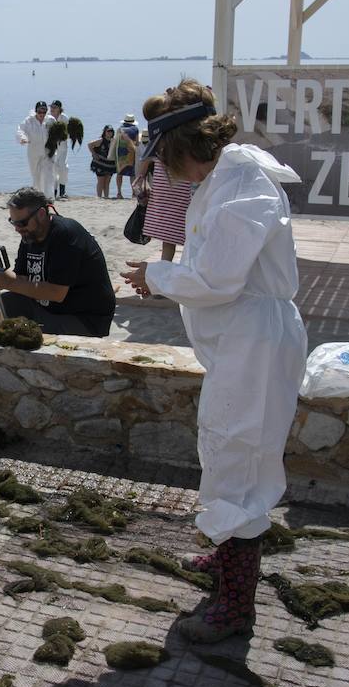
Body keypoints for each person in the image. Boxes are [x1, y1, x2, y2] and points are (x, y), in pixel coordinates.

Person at [119, 78, 307, 644]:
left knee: (239, 461)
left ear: (181, 148)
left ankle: (235, 606)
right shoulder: (223, 182)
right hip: (241, 343)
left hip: (254, 343)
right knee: (225, 448)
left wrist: (154, 275)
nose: (162, 172)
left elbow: (215, 279)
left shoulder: (244, 189)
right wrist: (163, 277)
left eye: (162, 160)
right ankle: (227, 564)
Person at [0, 186, 115, 337]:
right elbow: (21, 279)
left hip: (84, 318)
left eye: (22, 223)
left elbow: (56, 293)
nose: (17, 229)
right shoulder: (29, 236)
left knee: (26, 334)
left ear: (40, 214)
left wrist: (7, 283)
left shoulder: (65, 234)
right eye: (13, 223)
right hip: (49, 308)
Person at [138, 147, 195, 263]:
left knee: (169, 234)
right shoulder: (188, 140)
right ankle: (173, 264)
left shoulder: (162, 140)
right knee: (179, 232)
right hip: (181, 185)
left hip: (166, 185)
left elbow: (145, 160)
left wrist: (141, 177)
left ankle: (166, 264)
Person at [16, 101, 54, 197]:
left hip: (48, 152)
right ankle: (39, 196)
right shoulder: (29, 121)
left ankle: (48, 197)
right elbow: (20, 130)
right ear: (36, 111)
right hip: (34, 152)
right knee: (36, 176)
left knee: (48, 175)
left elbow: (58, 132)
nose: (41, 114)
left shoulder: (50, 120)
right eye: (39, 111)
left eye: (44, 111)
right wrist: (23, 138)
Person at [109, 113, 140, 199]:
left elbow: (116, 141)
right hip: (130, 153)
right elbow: (137, 143)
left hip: (120, 154)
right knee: (132, 174)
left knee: (120, 173)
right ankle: (134, 193)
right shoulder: (135, 129)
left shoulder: (120, 129)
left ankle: (119, 193)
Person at [48, 100, 70, 199]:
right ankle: (54, 192)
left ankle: (62, 191)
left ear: (59, 109)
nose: (52, 109)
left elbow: (68, 133)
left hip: (63, 148)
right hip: (51, 147)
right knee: (53, 169)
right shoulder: (47, 118)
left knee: (63, 168)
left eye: (55, 107)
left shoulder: (64, 118)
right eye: (51, 107)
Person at [88, 125, 117, 198]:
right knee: (101, 181)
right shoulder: (101, 140)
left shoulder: (114, 141)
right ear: (104, 132)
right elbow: (90, 144)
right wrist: (94, 154)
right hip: (100, 163)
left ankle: (106, 197)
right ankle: (99, 197)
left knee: (107, 182)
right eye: (108, 131)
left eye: (111, 131)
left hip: (110, 164)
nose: (110, 133)